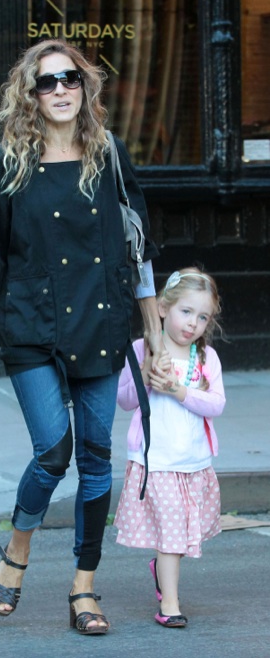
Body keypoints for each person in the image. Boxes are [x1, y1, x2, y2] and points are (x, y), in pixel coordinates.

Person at [0, 38, 163, 635]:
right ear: (30, 93)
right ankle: (18, 546)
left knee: (96, 459)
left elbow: (139, 248)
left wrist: (154, 333)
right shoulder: (9, 162)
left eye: (69, 78)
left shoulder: (109, 154)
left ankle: (84, 587)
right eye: (46, 81)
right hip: (30, 323)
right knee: (53, 451)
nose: (59, 90)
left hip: (100, 322)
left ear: (84, 86)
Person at [114, 267, 226, 628]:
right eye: (186, 311)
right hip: (156, 460)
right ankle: (170, 605)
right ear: (163, 308)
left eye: (203, 316)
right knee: (172, 536)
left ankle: (163, 574)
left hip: (192, 462)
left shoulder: (206, 358)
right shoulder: (142, 349)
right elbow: (125, 400)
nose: (193, 323)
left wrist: (179, 391)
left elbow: (216, 404)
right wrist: (146, 375)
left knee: (177, 535)